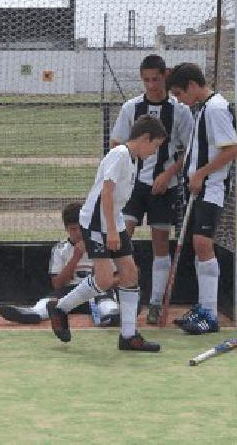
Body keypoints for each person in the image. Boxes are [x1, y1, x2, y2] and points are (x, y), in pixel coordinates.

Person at [47, 115, 167, 352]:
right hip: (96, 222)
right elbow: (107, 192)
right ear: (144, 138)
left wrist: (115, 225)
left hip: (114, 219)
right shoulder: (120, 154)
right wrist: (111, 230)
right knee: (103, 280)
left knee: (129, 273)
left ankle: (129, 335)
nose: (155, 152)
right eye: (155, 146)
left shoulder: (132, 160)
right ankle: (60, 307)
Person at [108, 54, 195, 324]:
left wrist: (168, 173)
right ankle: (122, 300)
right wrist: (127, 175)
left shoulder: (179, 110)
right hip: (133, 187)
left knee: (160, 243)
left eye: (156, 79)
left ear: (165, 76)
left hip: (164, 186)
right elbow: (116, 143)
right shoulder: (130, 107)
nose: (151, 85)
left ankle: (156, 302)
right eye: (146, 80)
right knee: (123, 239)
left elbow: (189, 150)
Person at [165, 62, 237, 335]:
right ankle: (204, 305)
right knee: (199, 246)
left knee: (203, 244)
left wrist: (201, 174)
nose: (178, 99)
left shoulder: (217, 108)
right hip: (200, 189)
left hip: (212, 188)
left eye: (179, 93)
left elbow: (232, 149)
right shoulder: (203, 108)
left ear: (193, 86)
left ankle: (210, 315)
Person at [0, 202, 120, 327]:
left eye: (81, 228)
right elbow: (57, 284)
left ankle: (111, 314)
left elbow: (118, 277)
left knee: (105, 301)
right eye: (73, 229)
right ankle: (33, 313)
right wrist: (75, 257)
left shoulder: (101, 246)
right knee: (51, 301)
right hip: (69, 293)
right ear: (66, 229)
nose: (78, 233)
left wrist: (102, 280)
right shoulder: (60, 249)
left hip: (97, 291)